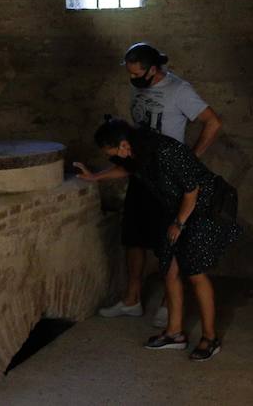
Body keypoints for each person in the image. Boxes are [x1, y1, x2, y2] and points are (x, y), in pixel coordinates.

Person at [75, 118, 239, 361]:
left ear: (123, 146)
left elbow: (192, 189)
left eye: (112, 153)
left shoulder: (164, 150)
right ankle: (174, 334)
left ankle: (210, 338)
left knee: (195, 272)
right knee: (170, 270)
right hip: (176, 209)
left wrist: (179, 223)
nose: (114, 158)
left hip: (203, 209)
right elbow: (128, 169)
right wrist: (94, 177)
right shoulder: (136, 153)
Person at [85, 43, 222, 328]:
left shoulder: (179, 90)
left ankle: (168, 305)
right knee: (134, 236)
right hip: (141, 172)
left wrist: (188, 160)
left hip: (168, 179)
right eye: (129, 74)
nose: (133, 79)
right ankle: (132, 299)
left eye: (137, 73)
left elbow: (213, 122)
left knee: (168, 242)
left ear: (153, 68)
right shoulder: (138, 87)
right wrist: (97, 176)